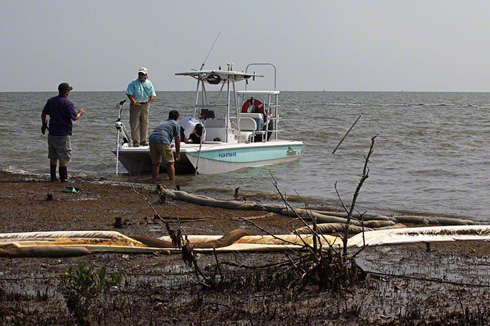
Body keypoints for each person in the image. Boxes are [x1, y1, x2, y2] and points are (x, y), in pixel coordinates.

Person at [41, 82, 85, 182]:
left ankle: (53, 177)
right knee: (63, 156)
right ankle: (63, 178)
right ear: (66, 92)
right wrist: (80, 113)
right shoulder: (68, 103)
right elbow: (74, 118)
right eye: (68, 90)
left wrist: (44, 124)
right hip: (63, 134)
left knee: (53, 156)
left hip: (52, 133)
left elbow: (43, 114)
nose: (69, 92)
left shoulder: (51, 101)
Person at [125, 67, 156, 147]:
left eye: (142, 74)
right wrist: (134, 101)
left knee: (145, 123)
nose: (140, 75)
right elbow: (129, 93)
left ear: (146, 75)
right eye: (139, 73)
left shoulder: (149, 83)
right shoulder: (133, 83)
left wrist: (152, 97)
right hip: (136, 105)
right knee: (134, 123)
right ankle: (136, 142)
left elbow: (152, 92)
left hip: (145, 104)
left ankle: (143, 141)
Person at [149, 110, 181, 185]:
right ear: (177, 118)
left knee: (155, 163)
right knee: (170, 163)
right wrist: (178, 153)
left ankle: (154, 181)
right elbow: (177, 139)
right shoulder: (176, 124)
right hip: (163, 140)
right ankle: (172, 182)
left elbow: (162, 132)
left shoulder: (162, 122)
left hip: (152, 140)